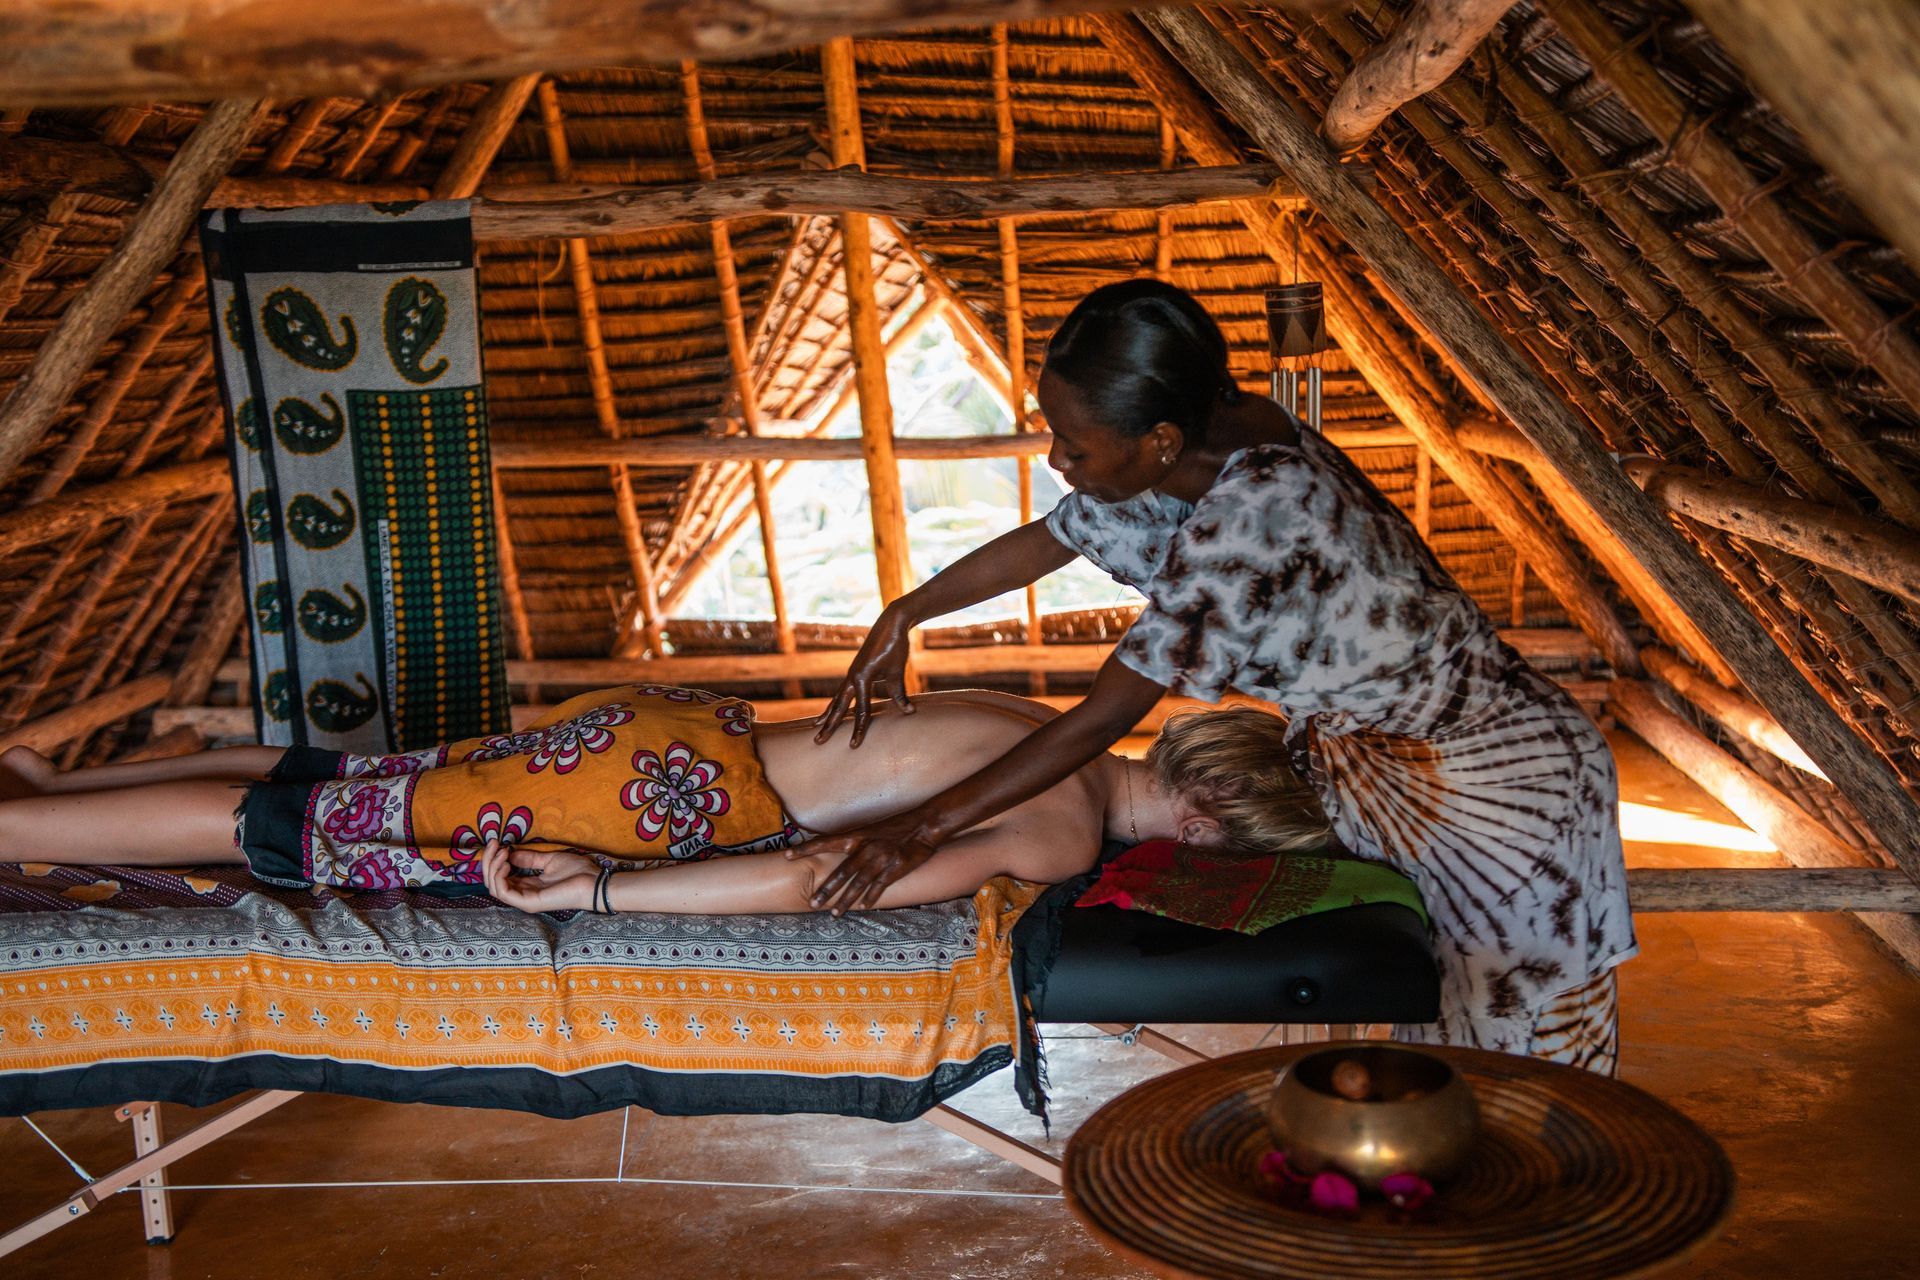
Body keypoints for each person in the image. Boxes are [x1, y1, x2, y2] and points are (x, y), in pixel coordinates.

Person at [805, 279, 1637, 1073]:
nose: (1058, 457)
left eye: (1076, 443)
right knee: (1445, 1022)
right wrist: (904, 612)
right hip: (1392, 760)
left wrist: (920, 831)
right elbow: (1054, 537)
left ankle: (1553, 1207)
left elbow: (1100, 718)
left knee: (1520, 1035)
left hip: (1501, 783)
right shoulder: (1208, 435)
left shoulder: (1255, 518)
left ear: (1158, 440)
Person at [0, 687, 1331, 918]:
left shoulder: (1055, 730)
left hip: (668, 737)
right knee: (292, 833)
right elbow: (817, 879)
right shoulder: (1056, 830)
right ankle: (16, 824)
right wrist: (605, 888)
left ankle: (54, 789)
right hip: (657, 803)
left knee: (350, 787)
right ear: (1213, 827)